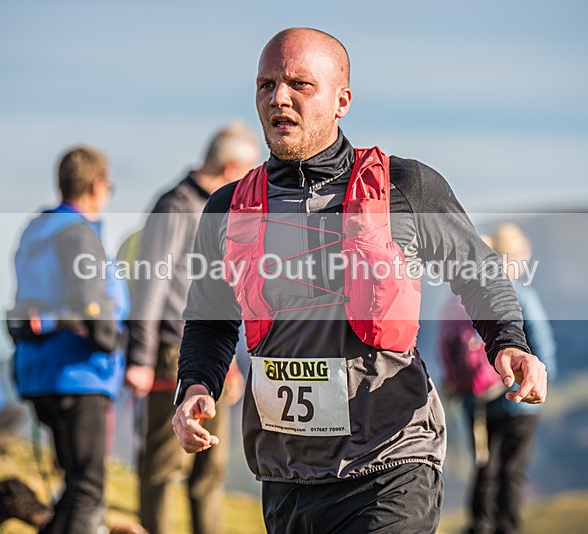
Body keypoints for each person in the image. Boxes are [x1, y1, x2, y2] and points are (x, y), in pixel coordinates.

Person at [172, 28, 549, 533]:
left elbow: (480, 274)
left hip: (392, 461)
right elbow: (209, 319)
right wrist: (197, 383)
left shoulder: (405, 188)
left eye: (299, 84)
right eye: (266, 85)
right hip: (287, 473)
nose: (278, 98)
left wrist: (510, 343)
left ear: (341, 100)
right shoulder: (226, 208)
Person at [124, 123, 259, 534]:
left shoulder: (223, 211)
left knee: (210, 471)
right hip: (170, 354)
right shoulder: (176, 206)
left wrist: (232, 361)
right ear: (231, 165)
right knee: (164, 468)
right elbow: (151, 283)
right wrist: (140, 359)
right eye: (248, 171)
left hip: (215, 356)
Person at [10, 145, 128, 534]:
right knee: (88, 488)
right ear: (97, 186)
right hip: (79, 373)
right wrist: (113, 342)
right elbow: (89, 301)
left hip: (36, 370)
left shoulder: (36, 229)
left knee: (73, 485)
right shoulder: (79, 233)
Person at [450, 225, 557, 534]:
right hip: (518, 403)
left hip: (478, 401)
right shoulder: (522, 297)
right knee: (511, 472)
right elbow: (543, 346)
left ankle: (479, 525)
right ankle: (506, 527)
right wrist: (542, 379)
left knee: (485, 467)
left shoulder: (471, 299)